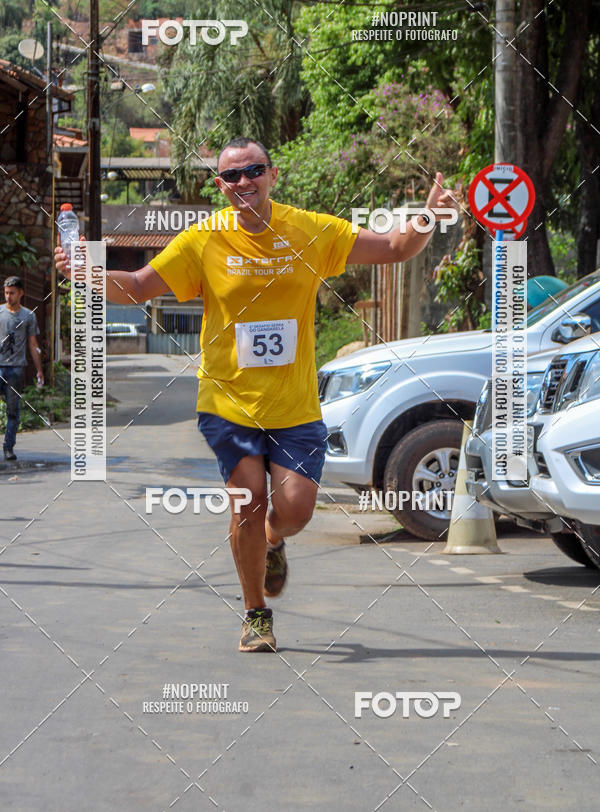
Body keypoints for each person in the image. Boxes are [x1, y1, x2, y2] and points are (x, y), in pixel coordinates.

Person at [54, 137, 458, 652]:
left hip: (293, 407)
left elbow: (394, 248)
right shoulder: (205, 239)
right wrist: (90, 274)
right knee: (247, 500)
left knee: (295, 511)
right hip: (228, 402)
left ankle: (274, 540)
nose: (243, 182)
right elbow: (137, 283)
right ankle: (255, 613)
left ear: (272, 175)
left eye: (254, 171)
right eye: (232, 176)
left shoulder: (309, 230)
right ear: (219, 186)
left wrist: (427, 217)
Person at [1, 276, 44, 462]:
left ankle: (8, 447)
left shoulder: (28, 316)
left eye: (12, 293)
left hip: (16, 369)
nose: (9, 296)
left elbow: (33, 345)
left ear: (20, 293)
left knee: (13, 411)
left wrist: (39, 370)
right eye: (6, 293)